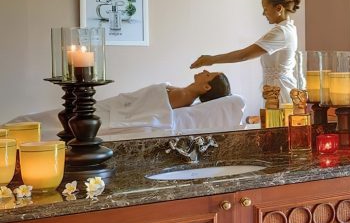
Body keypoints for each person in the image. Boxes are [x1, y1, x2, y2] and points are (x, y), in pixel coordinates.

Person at [9, 71, 237, 140]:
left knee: (53, 122)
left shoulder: (183, 96)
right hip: (113, 106)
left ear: (206, 87)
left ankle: (13, 134)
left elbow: (149, 111)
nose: (204, 71)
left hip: (114, 113)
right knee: (54, 118)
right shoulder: (181, 92)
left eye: (209, 74)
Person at [191, 0, 300, 103]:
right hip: (275, 89)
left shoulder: (282, 32)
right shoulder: (286, 29)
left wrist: (211, 60)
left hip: (281, 91)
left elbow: (244, 55)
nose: (263, 13)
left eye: (265, 9)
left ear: (278, 8)